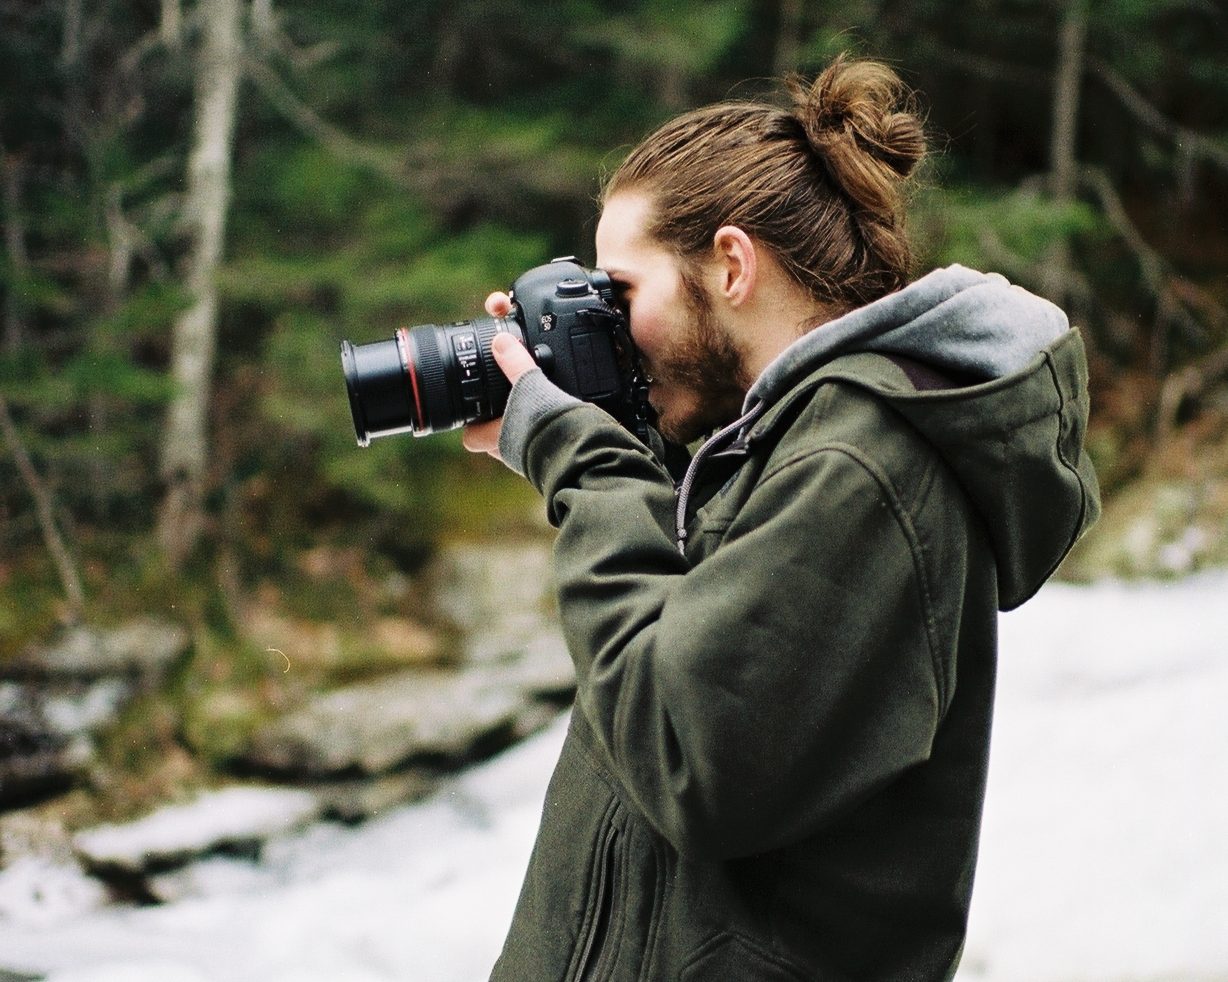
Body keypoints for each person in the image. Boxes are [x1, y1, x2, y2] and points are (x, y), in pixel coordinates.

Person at [463, 54, 1099, 982]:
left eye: (621, 294)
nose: (603, 323)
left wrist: (583, 458)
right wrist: (599, 419)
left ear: (730, 264)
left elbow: (692, 756)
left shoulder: (862, 464)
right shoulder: (772, 452)